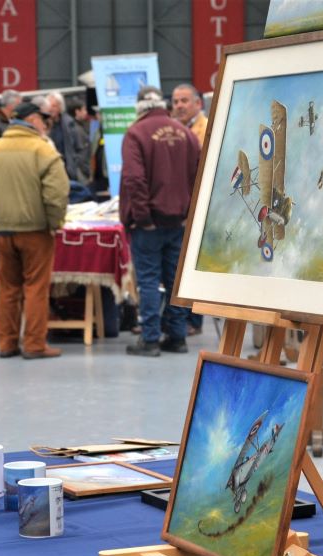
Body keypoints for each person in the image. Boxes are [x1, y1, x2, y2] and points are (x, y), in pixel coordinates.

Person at [0, 101, 70, 360]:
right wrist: (54, 223)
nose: (46, 125)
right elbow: (56, 194)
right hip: (36, 230)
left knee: (8, 288)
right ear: (34, 119)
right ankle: (35, 344)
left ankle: (7, 343)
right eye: (44, 120)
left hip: (2, 231)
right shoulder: (43, 150)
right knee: (36, 287)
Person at [119, 85, 200, 357]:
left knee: (149, 280)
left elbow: (134, 179)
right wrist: (188, 212)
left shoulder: (136, 133)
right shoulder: (186, 133)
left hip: (149, 224)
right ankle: (177, 336)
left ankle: (151, 338)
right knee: (175, 280)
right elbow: (198, 176)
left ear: (139, 106)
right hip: (178, 221)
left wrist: (142, 216)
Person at [170, 83, 207, 336]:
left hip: (199, 207)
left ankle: (194, 320)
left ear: (198, 104)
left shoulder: (205, 129)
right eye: (175, 102)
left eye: (184, 100)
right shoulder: (172, 131)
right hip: (179, 208)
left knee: (193, 265)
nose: (179, 106)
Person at [41, 91, 86, 182]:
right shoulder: (41, 124)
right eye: (49, 106)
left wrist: (73, 165)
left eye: (54, 106)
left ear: (60, 107)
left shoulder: (70, 125)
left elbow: (80, 149)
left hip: (67, 173)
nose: (50, 109)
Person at [66, 100, 94, 185]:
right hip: (81, 174)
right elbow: (82, 155)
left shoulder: (71, 127)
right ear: (77, 112)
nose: (86, 112)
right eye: (84, 110)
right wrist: (87, 172)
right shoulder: (77, 130)